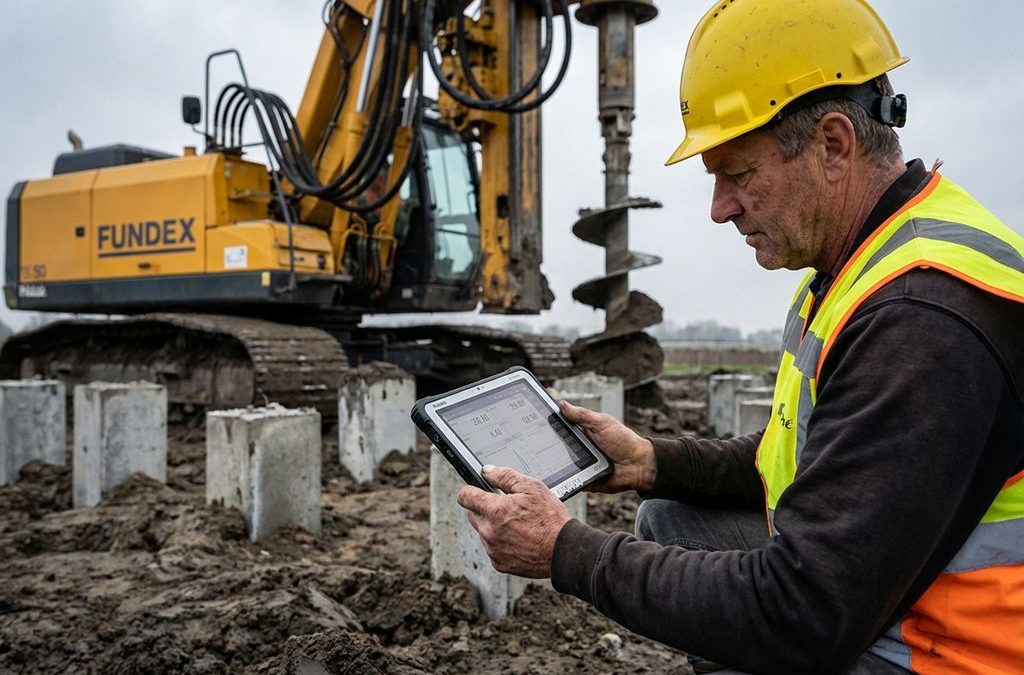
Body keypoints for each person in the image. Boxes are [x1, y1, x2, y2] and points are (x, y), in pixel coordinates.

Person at [456, 0, 1024, 672]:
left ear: (834, 145)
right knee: (671, 518)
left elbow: (802, 611)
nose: (720, 208)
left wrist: (566, 551)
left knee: (753, 613)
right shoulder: (863, 263)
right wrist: (650, 460)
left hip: (956, 651)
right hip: (894, 589)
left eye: (739, 175)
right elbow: (815, 449)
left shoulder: (920, 318)